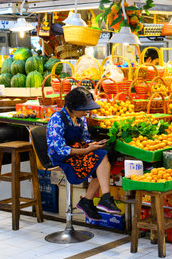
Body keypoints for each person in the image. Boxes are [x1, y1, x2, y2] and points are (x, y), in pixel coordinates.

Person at [46, 87, 120, 221]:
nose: (87, 112)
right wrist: (87, 150)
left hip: (77, 150)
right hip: (62, 157)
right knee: (100, 156)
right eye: (84, 109)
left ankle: (91, 201)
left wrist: (93, 144)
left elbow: (85, 139)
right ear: (73, 107)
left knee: (107, 153)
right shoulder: (57, 119)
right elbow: (60, 149)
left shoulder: (81, 119)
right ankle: (101, 199)